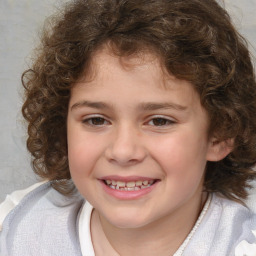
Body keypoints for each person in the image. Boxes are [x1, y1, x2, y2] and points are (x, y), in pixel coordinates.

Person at [1, 0, 256, 255]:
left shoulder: (241, 245)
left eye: (159, 121)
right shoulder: (15, 225)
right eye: (96, 120)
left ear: (220, 135)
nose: (123, 151)